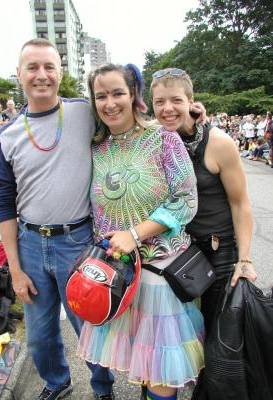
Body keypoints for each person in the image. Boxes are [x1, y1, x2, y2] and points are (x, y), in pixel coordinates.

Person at [0, 38, 114, 400]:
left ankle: (103, 387)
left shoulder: (83, 112)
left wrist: (186, 118)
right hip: (30, 245)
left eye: (49, 67)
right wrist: (14, 269)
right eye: (32, 67)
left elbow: (126, 115)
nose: (41, 75)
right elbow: (4, 205)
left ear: (61, 73)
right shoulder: (6, 136)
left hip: (77, 242)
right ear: (19, 74)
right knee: (41, 333)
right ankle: (57, 382)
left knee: (89, 326)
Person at [76, 63, 204, 400]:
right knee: (141, 364)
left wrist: (134, 233)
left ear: (134, 95)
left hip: (160, 273)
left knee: (160, 371)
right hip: (117, 277)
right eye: (100, 95)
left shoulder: (162, 138)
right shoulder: (95, 147)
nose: (110, 103)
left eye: (118, 93)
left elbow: (186, 199)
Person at [150, 67, 257, 397]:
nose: (167, 108)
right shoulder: (153, 140)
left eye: (176, 100)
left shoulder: (219, 143)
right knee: (173, 341)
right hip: (174, 255)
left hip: (219, 255)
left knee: (218, 343)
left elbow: (240, 204)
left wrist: (244, 259)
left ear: (191, 101)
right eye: (159, 102)